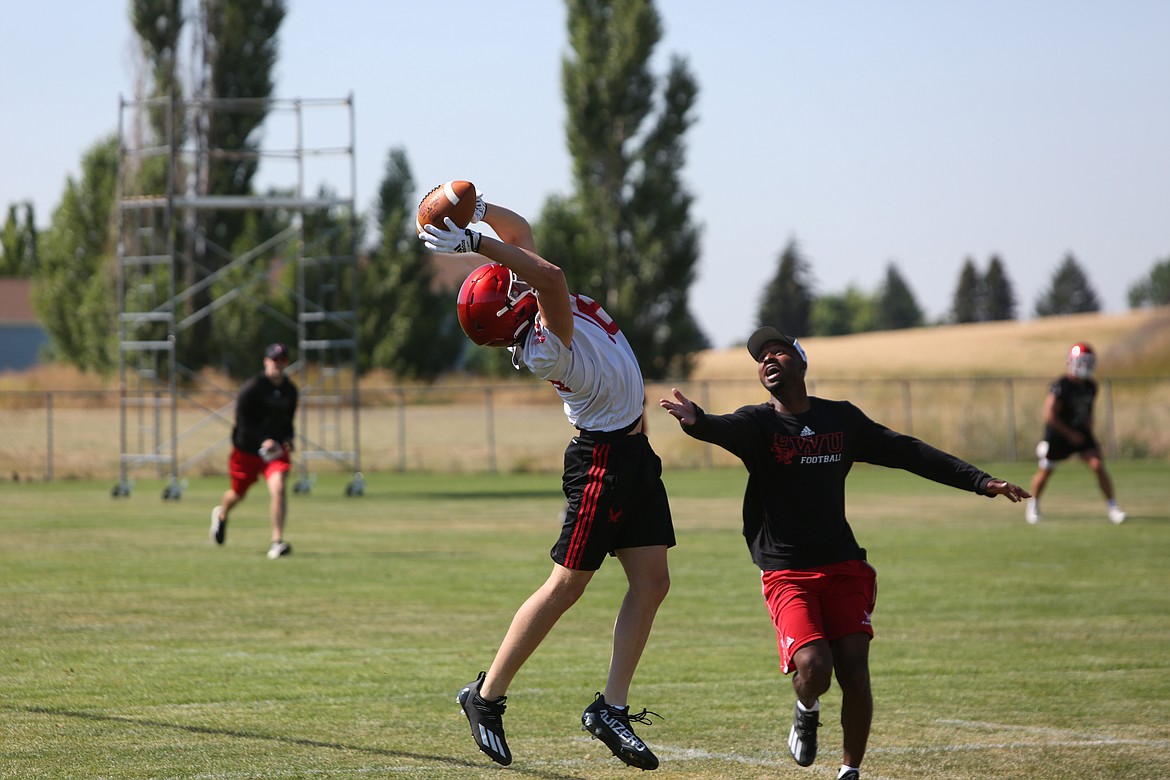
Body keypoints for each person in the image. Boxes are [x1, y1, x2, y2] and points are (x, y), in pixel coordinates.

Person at [659, 326, 1030, 780]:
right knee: (816, 667)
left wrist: (980, 480)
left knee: (855, 668)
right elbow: (720, 427)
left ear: (802, 363)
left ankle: (849, 771)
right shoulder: (759, 424)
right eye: (761, 357)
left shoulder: (842, 420)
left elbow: (908, 451)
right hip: (788, 572)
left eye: (778, 352)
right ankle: (806, 705)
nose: (768, 360)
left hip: (844, 564)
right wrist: (696, 419)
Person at [419, 195, 674, 770]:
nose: (516, 283)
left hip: (633, 453)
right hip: (602, 462)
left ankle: (610, 708)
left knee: (652, 582)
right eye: (507, 291)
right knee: (566, 587)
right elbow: (550, 277)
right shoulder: (542, 344)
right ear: (509, 316)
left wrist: (476, 209)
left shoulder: (529, 309)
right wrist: (474, 243)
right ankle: (485, 698)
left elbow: (524, 234)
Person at [210, 342, 298, 560]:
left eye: (283, 360)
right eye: (275, 360)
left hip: (274, 452)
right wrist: (263, 439)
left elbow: (288, 422)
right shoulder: (253, 387)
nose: (278, 364)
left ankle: (277, 542)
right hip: (247, 449)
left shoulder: (290, 390)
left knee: (278, 487)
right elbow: (242, 420)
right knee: (237, 493)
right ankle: (221, 514)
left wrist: (288, 438)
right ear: (266, 361)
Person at [1025, 342, 1126, 525]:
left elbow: (1088, 410)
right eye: (1082, 362)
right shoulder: (1061, 385)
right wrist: (1070, 434)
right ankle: (1033, 504)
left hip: (1080, 432)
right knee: (1046, 470)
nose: (1085, 366)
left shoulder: (1090, 386)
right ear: (1072, 362)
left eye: (1088, 362)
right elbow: (1049, 415)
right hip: (1059, 433)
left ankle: (1113, 507)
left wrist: (1088, 423)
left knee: (1097, 465)